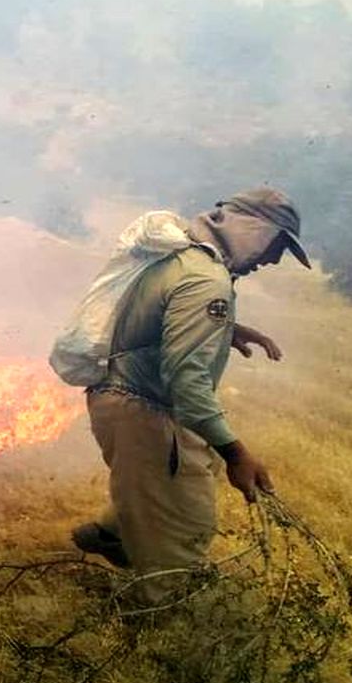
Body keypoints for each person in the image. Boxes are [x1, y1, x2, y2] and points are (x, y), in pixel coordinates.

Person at [71, 187, 311, 604]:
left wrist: (224, 331)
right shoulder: (206, 279)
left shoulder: (184, 255)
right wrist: (237, 454)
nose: (272, 260)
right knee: (188, 526)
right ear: (253, 230)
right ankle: (161, 621)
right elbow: (188, 384)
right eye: (275, 246)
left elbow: (156, 316)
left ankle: (114, 536)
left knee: (177, 478)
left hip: (119, 397)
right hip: (142, 408)